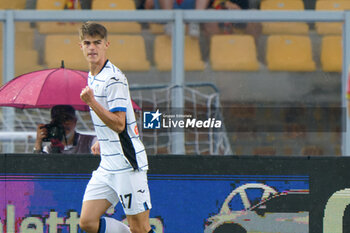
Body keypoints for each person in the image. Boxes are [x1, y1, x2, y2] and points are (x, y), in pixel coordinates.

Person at [78, 22, 154, 233]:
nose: (92, 47)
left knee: (140, 228)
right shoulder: (92, 75)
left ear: (106, 45)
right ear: (81, 47)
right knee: (87, 221)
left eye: (97, 42)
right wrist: (101, 140)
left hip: (127, 163)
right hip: (107, 164)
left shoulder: (114, 78)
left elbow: (120, 124)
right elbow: (109, 120)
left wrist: (92, 102)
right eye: (87, 43)